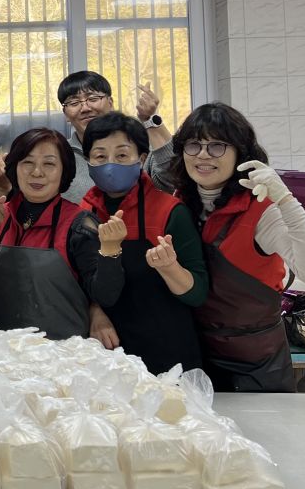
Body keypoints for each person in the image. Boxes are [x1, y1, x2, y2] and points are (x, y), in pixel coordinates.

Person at [172, 103, 305, 392]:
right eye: (194, 144)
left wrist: (285, 198)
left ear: (240, 152)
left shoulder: (260, 210)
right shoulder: (179, 202)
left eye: (217, 145)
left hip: (258, 363)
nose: (203, 155)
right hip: (196, 357)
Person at [73, 112, 207, 375]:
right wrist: (94, 310)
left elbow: (198, 293)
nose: (110, 164)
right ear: (88, 161)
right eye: (100, 156)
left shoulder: (170, 211)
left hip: (168, 351)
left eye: (122, 155)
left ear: (142, 159)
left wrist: (170, 267)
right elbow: (78, 281)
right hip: (108, 353)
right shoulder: (82, 215)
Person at [0, 128, 102, 340]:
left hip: (64, 352)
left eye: (49, 164)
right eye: (27, 162)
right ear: (14, 167)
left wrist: (98, 311)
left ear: (65, 171)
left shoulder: (80, 224)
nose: (37, 172)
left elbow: (102, 292)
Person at [56, 71, 175, 201]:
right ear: (66, 114)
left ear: (110, 103)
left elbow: (171, 182)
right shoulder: (61, 154)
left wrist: (149, 120)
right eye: (74, 103)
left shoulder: (139, 144)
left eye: (93, 99)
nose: (85, 108)